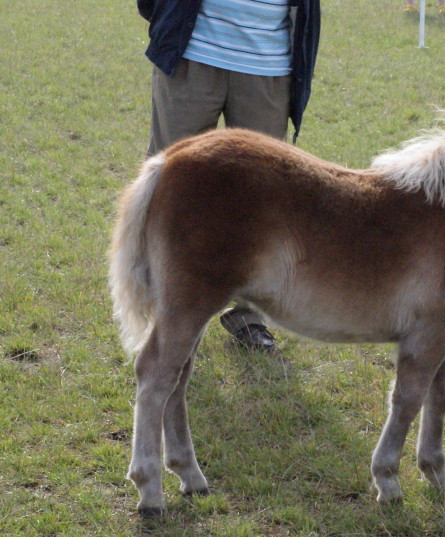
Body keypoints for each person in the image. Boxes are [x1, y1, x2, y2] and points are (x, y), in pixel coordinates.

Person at [137, 0, 321, 352]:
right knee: (170, 187)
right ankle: (162, 304)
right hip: (191, 53)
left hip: (269, 66)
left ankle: (249, 317)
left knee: (262, 202)